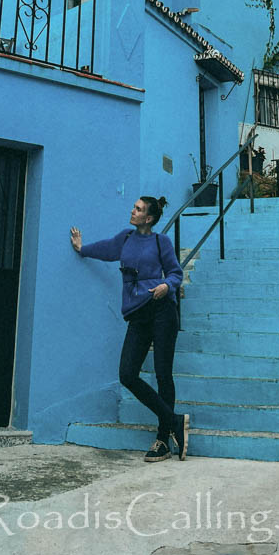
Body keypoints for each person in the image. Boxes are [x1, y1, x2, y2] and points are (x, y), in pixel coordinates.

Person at [70, 195, 189, 461]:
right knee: (127, 374)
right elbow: (105, 249)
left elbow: (176, 273)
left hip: (162, 309)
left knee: (163, 374)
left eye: (138, 209)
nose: (132, 211)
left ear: (149, 218)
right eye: (134, 207)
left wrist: (166, 285)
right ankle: (174, 420)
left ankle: (162, 439)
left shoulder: (161, 241)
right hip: (138, 313)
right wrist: (82, 248)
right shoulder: (125, 239)